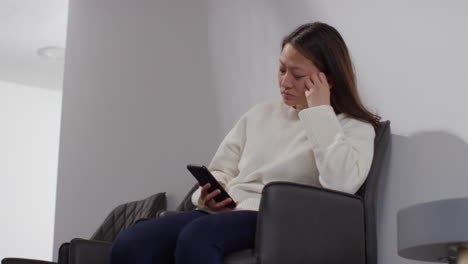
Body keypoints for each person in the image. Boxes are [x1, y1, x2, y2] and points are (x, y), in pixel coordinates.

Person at [109, 21, 380, 264]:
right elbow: (221, 169)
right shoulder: (260, 114)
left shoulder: (352, 127)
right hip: (225, 212)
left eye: (296, 75)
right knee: (131, 243)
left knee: (198, 237)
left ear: (328, 79)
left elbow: (342, 184)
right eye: (281, 68)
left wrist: (319, 113)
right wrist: (208, 196)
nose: (284, 82)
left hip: (277, 221)